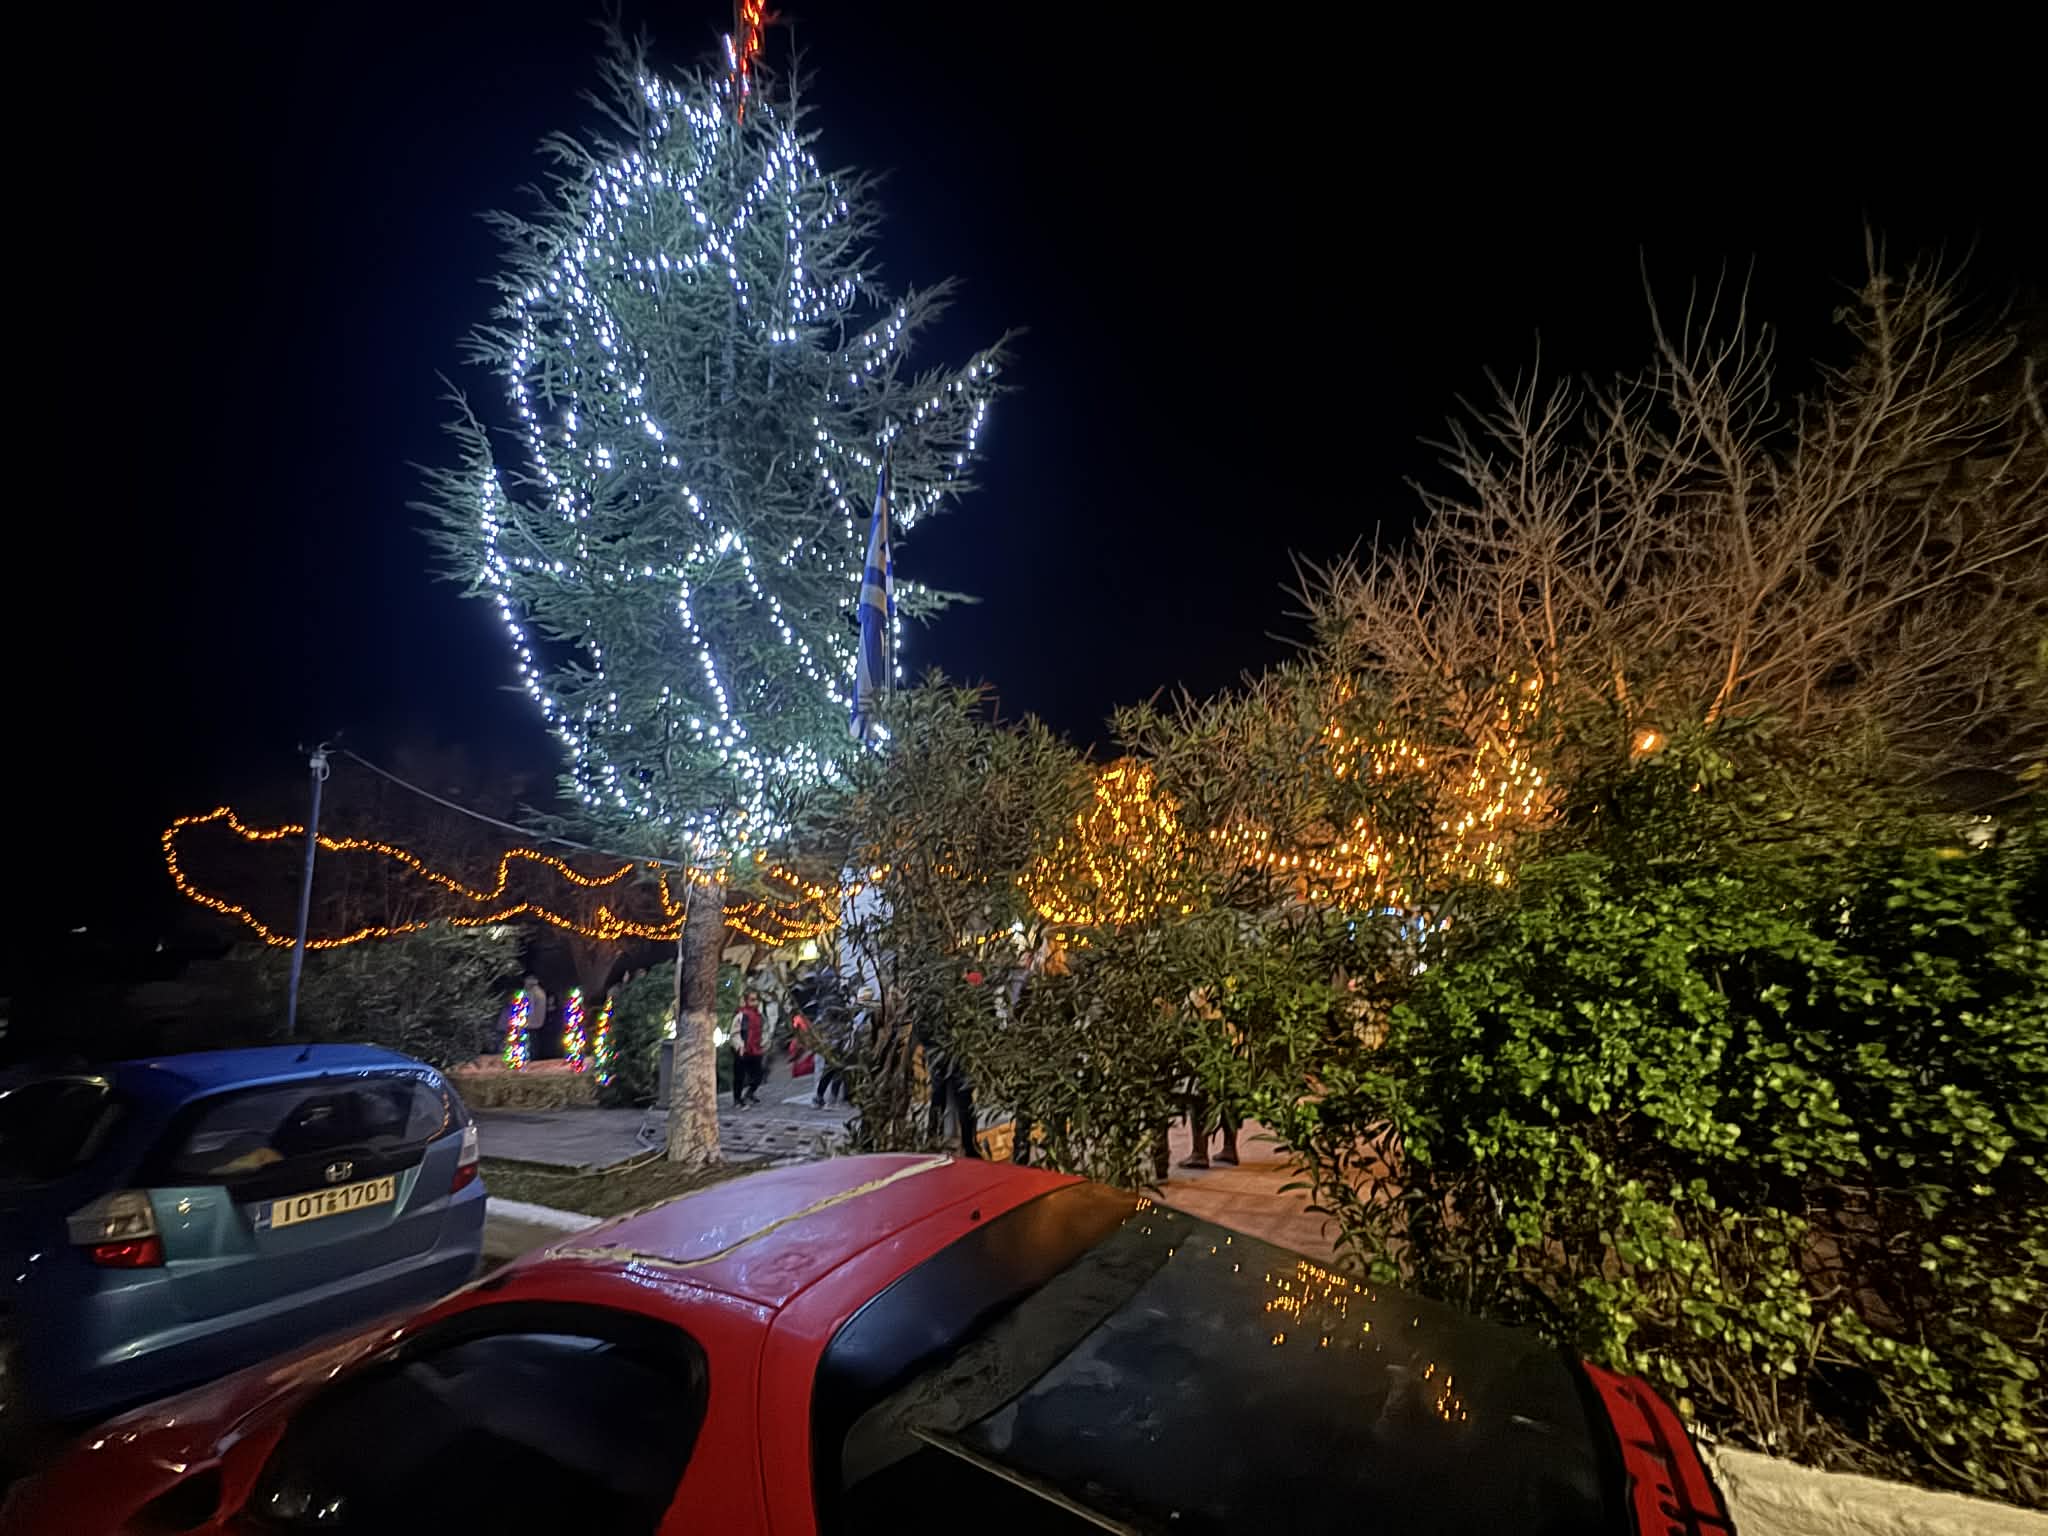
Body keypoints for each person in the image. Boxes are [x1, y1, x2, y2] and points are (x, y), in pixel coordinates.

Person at [733, 988, 766, 1108]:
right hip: (743, 1048)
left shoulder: (759, 1014)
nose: (755, 1003)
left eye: (756, 1000)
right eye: (752, 1000)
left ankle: (749, 1093)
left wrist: (763, 1043)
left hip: (755, 1048)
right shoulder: (741, 1014)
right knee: (739, 1076)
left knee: (758, 1074)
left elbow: (761, 1030)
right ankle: (737, 1099)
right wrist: (739, 1046)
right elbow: (735, 1032)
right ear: (747, 1001)